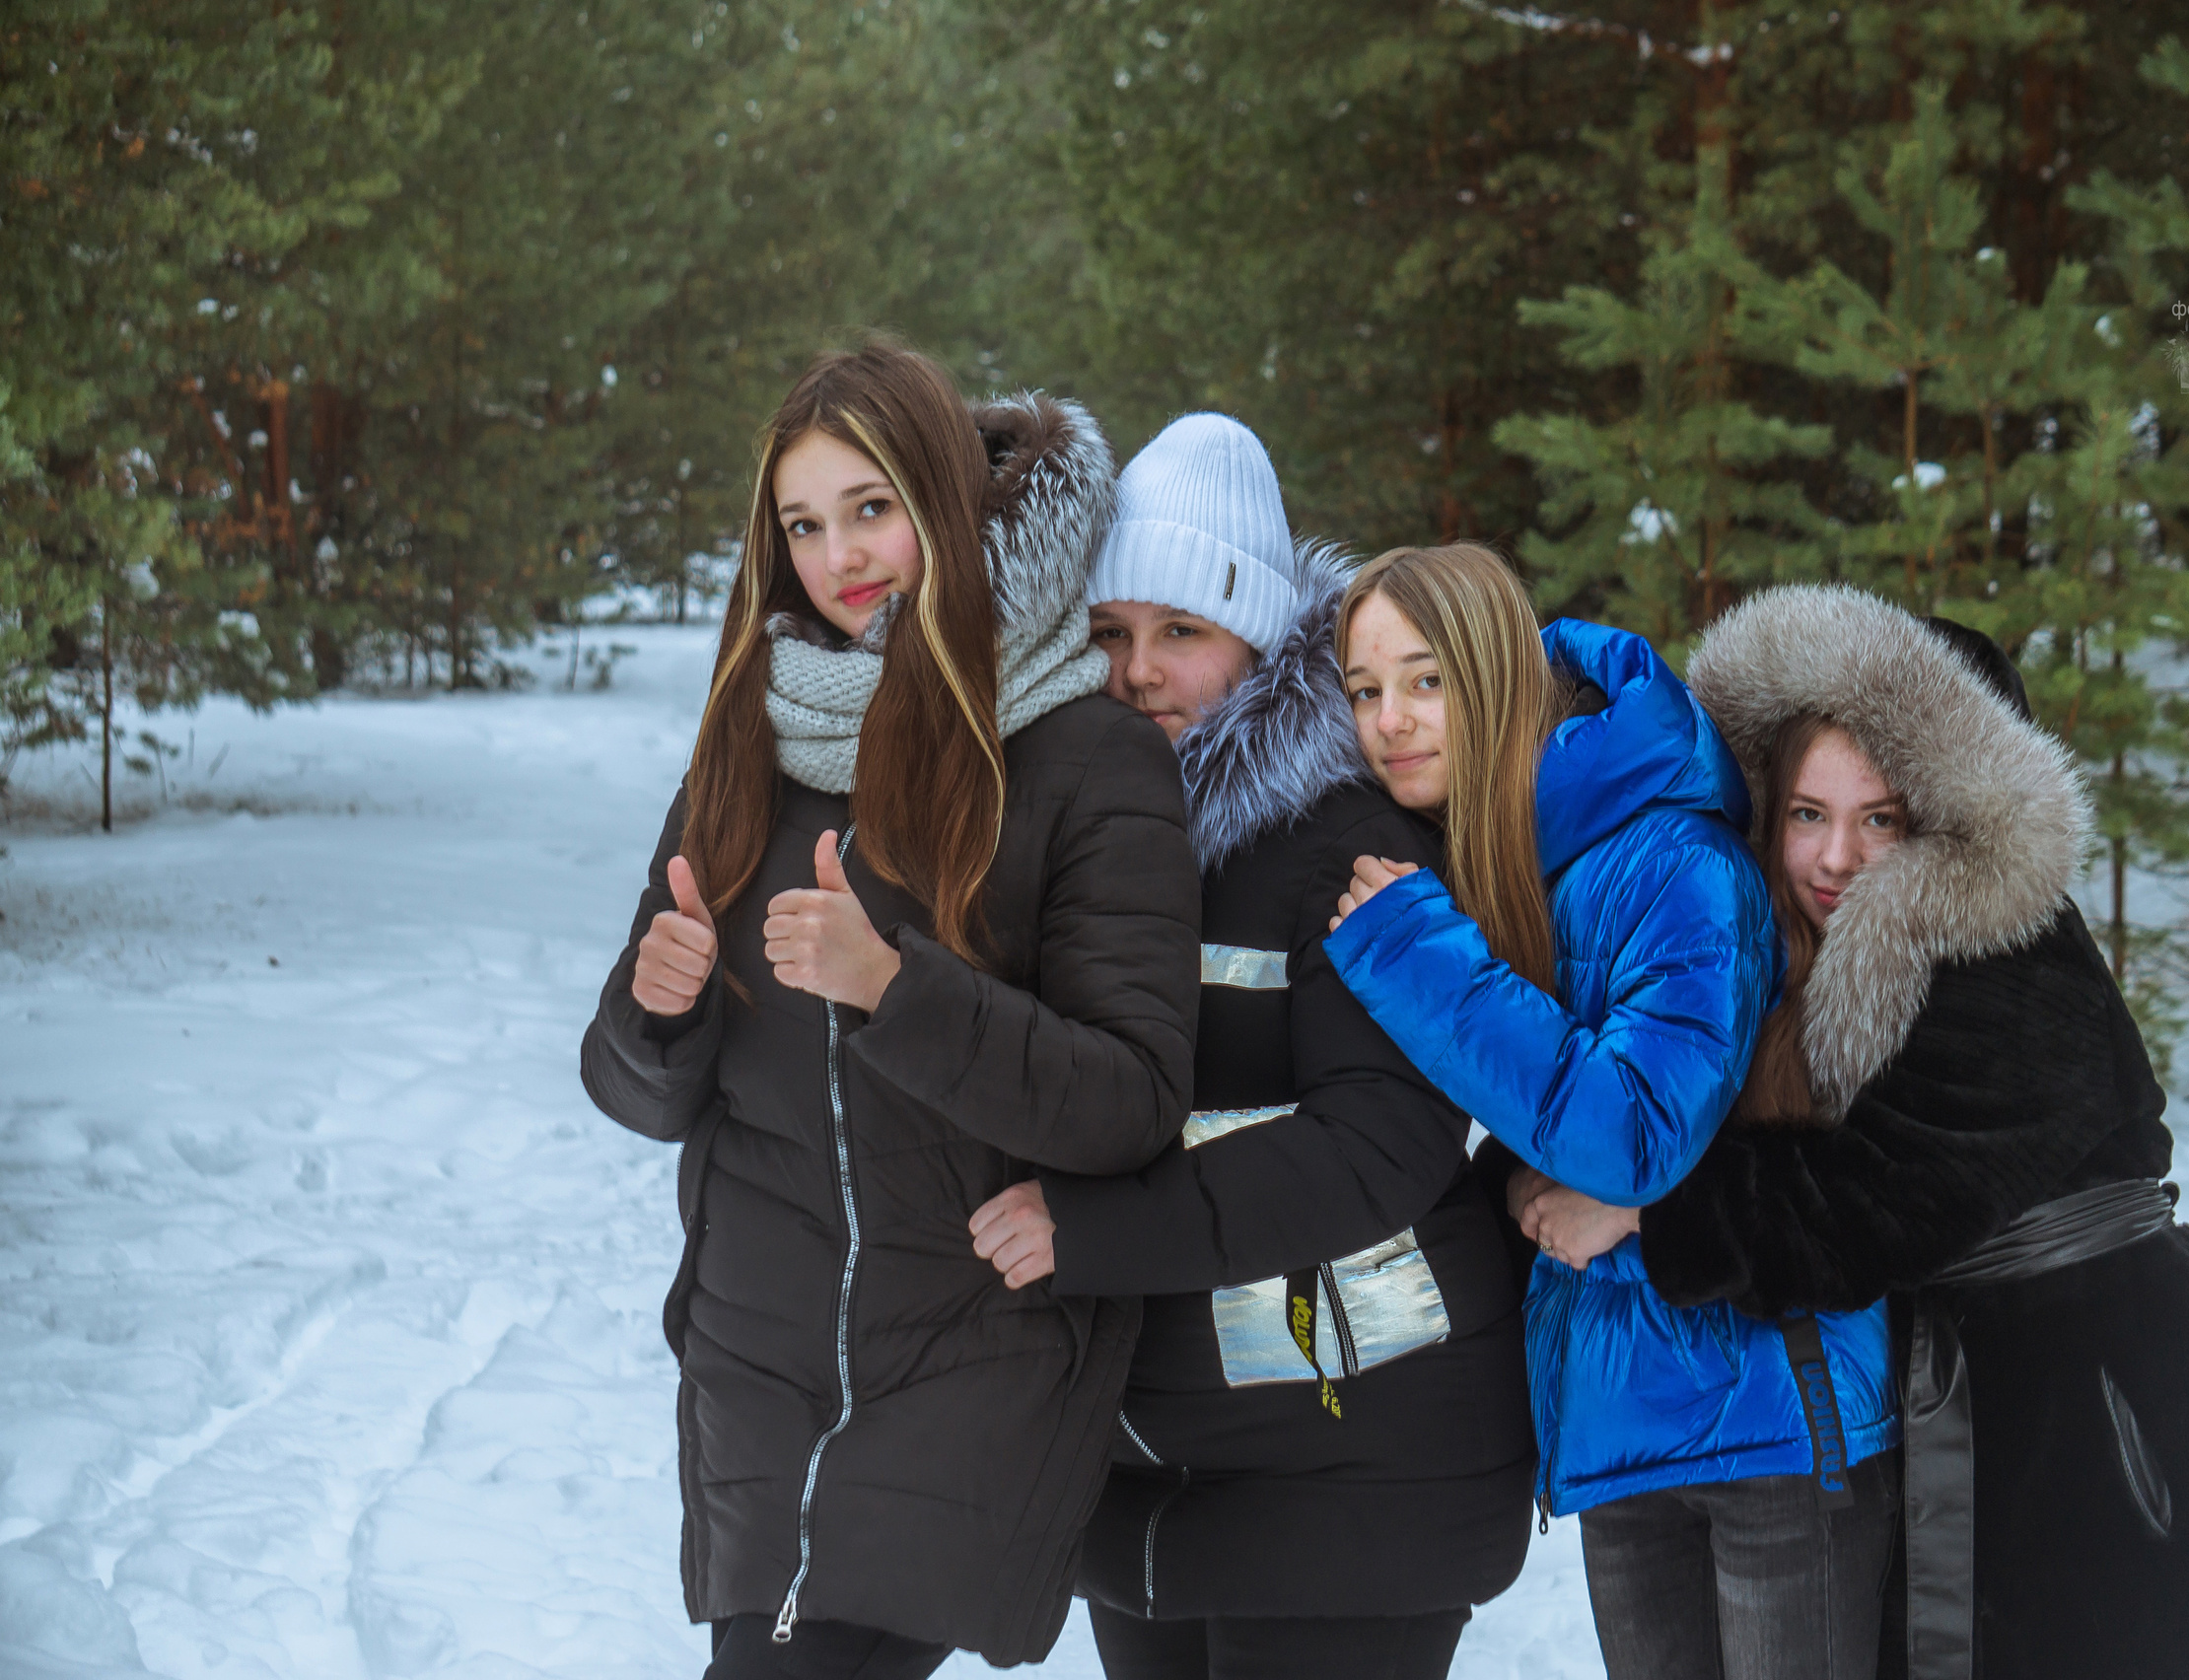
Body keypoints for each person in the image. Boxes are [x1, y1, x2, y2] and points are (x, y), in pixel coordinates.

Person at [1527, 584, 2189, 1680]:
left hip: (2094, 1384)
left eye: (1878, 819)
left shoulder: (2006, 954)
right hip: (1978, 1382)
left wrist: (1641, 1207)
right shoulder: (1806, 957)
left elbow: (1863, 1201)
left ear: (1947, 817)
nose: (1835, 859)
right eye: (1805, 814)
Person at [579, 342, 1203, 1679]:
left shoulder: (1084, 759)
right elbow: (636, 1090)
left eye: (871, 508)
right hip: (762, 1363)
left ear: (942, 503)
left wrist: (896, 990)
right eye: (803, 524)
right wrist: (656, 1014)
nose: (839, 556)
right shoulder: (750, 735)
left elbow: (1131, 1101)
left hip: (968, 1363)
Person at [964, 414, 1533, 1680]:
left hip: (1358, 1469)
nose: (1138, 672)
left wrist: (1092, 1233)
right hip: (1148, 1477)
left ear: (1264, 642)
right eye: (1110, 635)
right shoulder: (1087, 845)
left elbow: (1379, 1145)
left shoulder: (1341, 845)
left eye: (1182, 633)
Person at [1320, 544, 1899, 1680]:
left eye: (1425, 679)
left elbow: (1630, 1136)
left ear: (1493, 676)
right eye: (1364, 689)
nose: (1390, 719)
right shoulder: (1527, 864)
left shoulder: (1671, 860)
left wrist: (1417, 960)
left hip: (1771, 1420)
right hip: (1625, 1417)